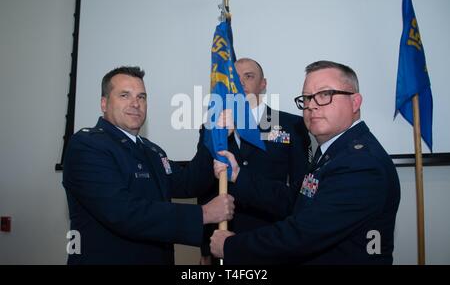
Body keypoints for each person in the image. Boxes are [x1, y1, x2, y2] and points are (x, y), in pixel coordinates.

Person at [210, 60, 401, 264]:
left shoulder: (361, 164)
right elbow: (293, 201)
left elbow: (304, 234)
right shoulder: (334, 151)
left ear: (355, 102)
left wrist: (232, 246)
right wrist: (238, 175)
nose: (311, 105)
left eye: (325, 95)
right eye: (307, 98)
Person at [62, 66, 234, 265]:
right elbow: (122, 212)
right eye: (125, 95)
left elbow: (188, 183)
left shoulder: (151, 150)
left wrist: (213, 134)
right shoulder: (87, 145)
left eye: (141, 97)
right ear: (104, 103)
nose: (135, 104)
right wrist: (204, 214)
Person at [198, 58, 311, 264]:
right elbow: (206, 189)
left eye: (248, 76)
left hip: (273, 242)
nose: (240, 83)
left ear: (263, 84)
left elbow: (299, 190)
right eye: (235, 79)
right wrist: (205, 245)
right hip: (224, 240)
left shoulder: (292, 125)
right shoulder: (214, 128)